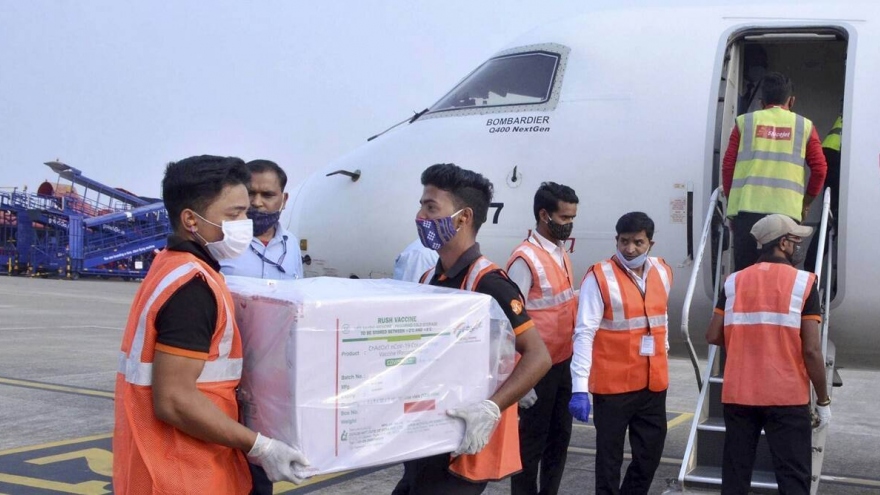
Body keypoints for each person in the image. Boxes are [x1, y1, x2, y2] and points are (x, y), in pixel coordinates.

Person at [113, 155, 309, 493]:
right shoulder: (192, 288)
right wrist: (260, 446)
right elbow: (175, 400)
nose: (245, 223)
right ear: (191, 219)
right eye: (234, 215)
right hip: (183, 472)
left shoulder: (172, 265)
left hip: (170, 463)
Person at [393, 163, 551, 495]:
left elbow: (538, 356)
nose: (420, 216)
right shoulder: (429, 278)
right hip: (426, 440)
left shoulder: (489, 284)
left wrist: (491, 407)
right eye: (421, 206)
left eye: (431, 207)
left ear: (463, 218)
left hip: (461, 450)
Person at [706, 213, 831, 494]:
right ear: (783, 243)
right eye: (796, 241)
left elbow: (713, 335)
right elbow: (811, 350)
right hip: (786, 396)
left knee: (736, 474)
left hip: (739, 394)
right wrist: (823, 400)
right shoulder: (803, 283)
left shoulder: (734, 281)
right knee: (793, 477)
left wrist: (744, 340)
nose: (798, 247)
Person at [569, 212, 673, 495]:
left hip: (653, 384)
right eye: (624, 241)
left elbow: (661, 315)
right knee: (608, 462)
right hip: (613, 388)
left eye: (638, 243)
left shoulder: (663, 271)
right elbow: (584, 332)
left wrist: (663, 350)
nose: (630, 249)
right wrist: (579, 388)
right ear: (616, 240)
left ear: (650, 243)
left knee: (649, 456)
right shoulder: (599, 276)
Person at [506, 182, 579, 495]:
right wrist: (520, 381)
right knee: (530, 446)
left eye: (572, 217)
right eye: (564, 218)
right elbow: (509, 323)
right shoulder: (525, 259)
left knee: (559, 441)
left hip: (562, 364)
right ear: (543, 215)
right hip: (536, 369)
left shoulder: (560, 252)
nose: (569, 224)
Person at [723, 71, 827, 271]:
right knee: (783, 276)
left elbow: (728, 166)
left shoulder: (745, 123)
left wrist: (732, 204)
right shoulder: (804, 126)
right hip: (787, 216)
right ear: (792, 100)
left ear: (761, 102)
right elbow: (820, 169)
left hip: (747, 213)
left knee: (746, 276)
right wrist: (806, 202)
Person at [220, 159, 303, 280]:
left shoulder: (291, 243)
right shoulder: (220, 241)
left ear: (284, 200)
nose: (257, 202)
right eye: (250, 193)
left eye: (267, 195)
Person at [805, 114, 842, 273]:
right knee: (836, 219)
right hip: (841, 154)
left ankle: (811, 267)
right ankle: (811, 268)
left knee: (829, 219)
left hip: (833, 151)